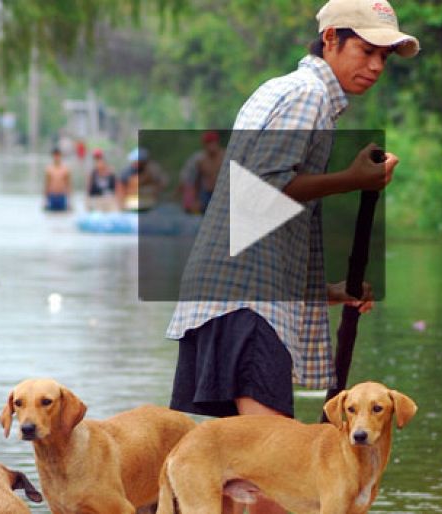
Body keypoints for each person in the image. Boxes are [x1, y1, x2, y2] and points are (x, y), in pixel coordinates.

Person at [165, 1, 419, 512]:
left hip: (243, 291)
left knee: (258, 473)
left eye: (384, 57)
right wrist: (353, 180)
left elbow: (263, 215)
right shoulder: (305, 95)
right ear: (331, 40)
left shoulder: (295, 94)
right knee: (277, 469)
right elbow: (260, 191)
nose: (375, 66)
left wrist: (327, 292)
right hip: (246, 301)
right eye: (366, 50)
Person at [178, 131, 226, 214]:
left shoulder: (225, 156)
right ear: (204, 145)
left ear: (217, 142)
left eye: (213, 142)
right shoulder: (201, 160)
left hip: (223, 193)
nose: (211, 146)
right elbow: (195, 182)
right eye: (208, 143)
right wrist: (194, 199)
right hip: (207, 194)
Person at [44, 147, 71, 211]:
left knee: (62, 214)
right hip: (52, 196)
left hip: (62, 196)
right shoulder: (49, 169)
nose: (56, 157)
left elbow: (68, 185)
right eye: (55, 155)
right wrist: (45, 201)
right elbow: (46, 185)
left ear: (61, 156)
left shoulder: (65, 169)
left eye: (58, 155)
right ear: (53, 156)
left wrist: (69, 201)